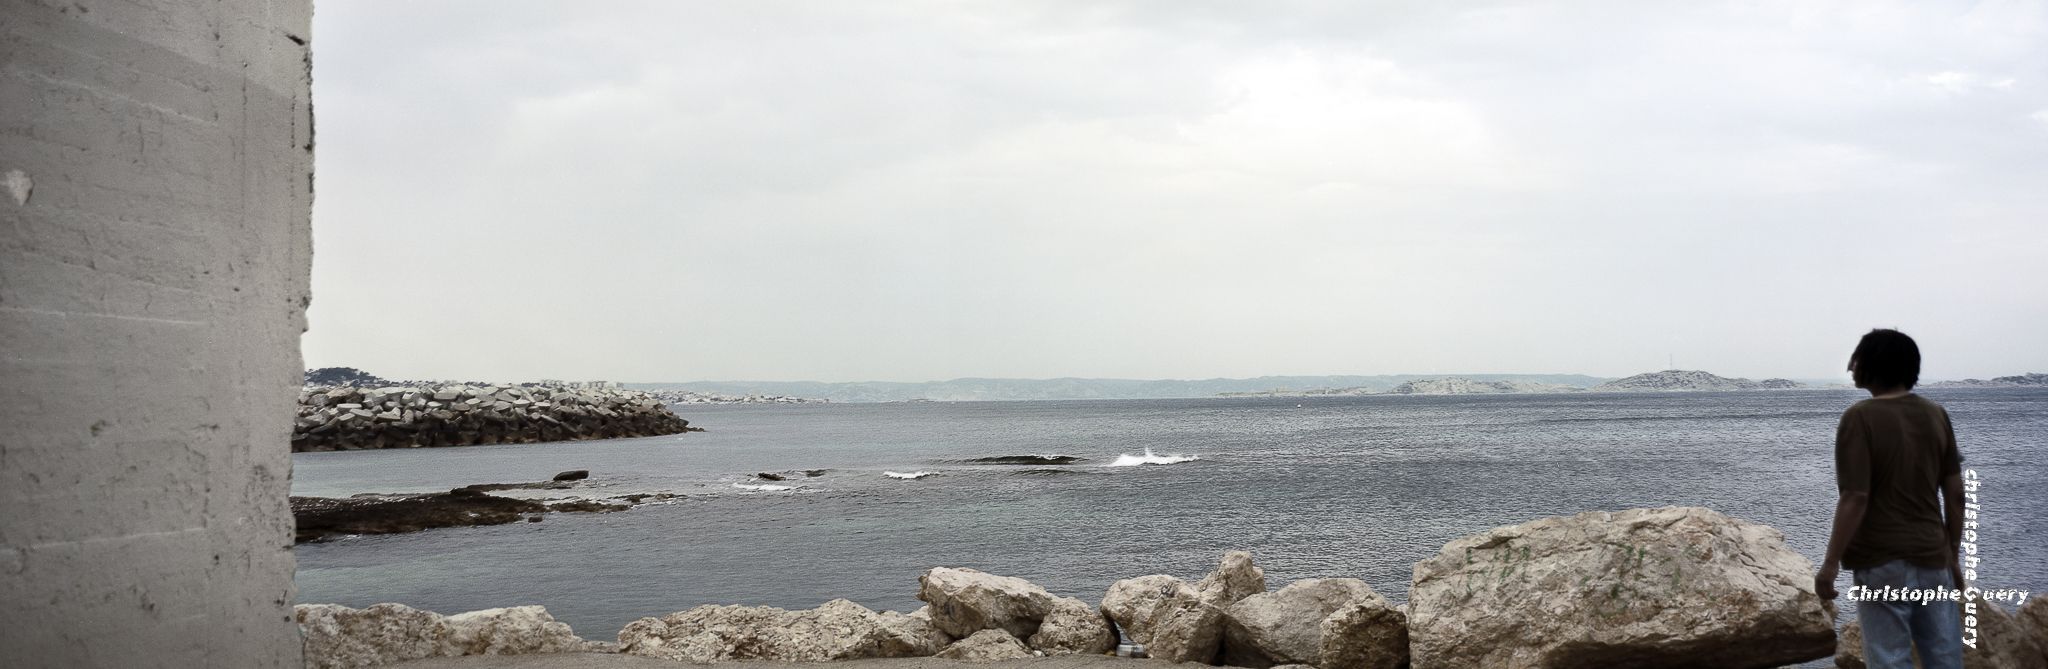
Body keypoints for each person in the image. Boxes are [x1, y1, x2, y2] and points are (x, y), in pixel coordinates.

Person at [1814, 329, 1965, 669]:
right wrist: (1952, 555)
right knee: (1945, 656)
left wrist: (1830, 564)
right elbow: (1956, 495)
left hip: (1880, 560)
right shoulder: (1936, 414)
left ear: (1871, 365)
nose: (1851, 366)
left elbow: (1855, 496)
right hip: (1933, 556)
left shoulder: (1859, 417)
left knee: (1888, 659)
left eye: (1856, 358)